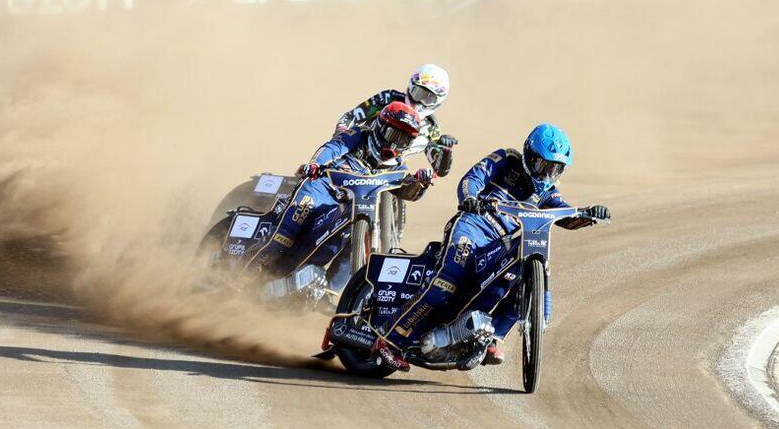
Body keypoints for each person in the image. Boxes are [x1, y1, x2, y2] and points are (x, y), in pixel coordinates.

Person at [373, 124, 610, 372]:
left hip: (500, 244)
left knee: (521, 277)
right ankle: (389, 340)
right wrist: (470, 199)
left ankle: (493, 336)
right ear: (530, 156)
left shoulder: (548, 193)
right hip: (472, 227)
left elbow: (565, 216)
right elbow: (472, 179)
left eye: (555, 169)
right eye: (544, 166)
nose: (547, 175)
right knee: (447, 282)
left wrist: (589, 215)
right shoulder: (506, 160)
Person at [242, 101, 436, 284]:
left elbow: (407, 192)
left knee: (352, 243)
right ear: (380, 127)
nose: (395, 145)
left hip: (350, 207)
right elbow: (332, 148)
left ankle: (333, 293)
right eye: (393, 135)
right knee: (283, 237)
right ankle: (241, 279)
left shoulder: (399, 167)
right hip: (322, 188)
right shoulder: (358, 135)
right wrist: (315, 165)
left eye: (403, 139)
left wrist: (420, 183)